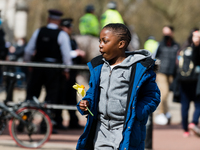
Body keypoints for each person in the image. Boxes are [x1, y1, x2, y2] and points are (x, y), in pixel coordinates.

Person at [76, 23, 160, 150]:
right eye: (100, 41)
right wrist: (87, 102)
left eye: (105, 41)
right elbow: (93, 93)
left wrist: (136, 114)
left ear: (121, 44)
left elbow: (152, 96)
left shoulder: (138, 68)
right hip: (101, 131)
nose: (100, 45)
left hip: (127, 131)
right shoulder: (99, 67)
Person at [24, 9, 72, 133]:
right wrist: (67, 69)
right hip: (53, 69)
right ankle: (46, 126)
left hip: (38, 66)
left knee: (32, 94)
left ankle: (24, 120)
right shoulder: (62, 34)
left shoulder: (39, 31)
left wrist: (28, 63)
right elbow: (67, 55)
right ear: (59, 21)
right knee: (51, 97)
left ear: (48, 19)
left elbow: (28, 50)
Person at [55, 18, 86, 130]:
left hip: (71, 73)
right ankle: (57, 121)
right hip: (63, 73)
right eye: (67, 27)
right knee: (60, 96)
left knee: (72, 97)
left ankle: (73, 120)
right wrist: (75, 53)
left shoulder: (71, 39)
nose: (69, 29)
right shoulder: (59, 36)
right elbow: (63, 54)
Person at [173, 28, 200, 137]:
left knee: (185, 105)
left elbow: (176, 65)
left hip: (183, 81)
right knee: (198, 104)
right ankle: (193, 122)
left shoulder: (182, 49)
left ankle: (185, 130)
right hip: (196, 81)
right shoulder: (196, 50)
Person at [154, 25, 180, 125]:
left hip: (172, 73)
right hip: (162, 72)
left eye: (168, 33)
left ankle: (166, 112)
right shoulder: (160, 44)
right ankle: (161, 114)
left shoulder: (176, 45)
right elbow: (154, 58)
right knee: (163, 93)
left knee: (167, 94)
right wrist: (154, 72)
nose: (166, 35)